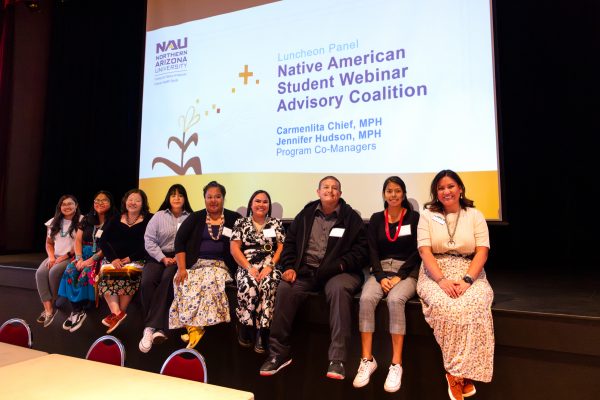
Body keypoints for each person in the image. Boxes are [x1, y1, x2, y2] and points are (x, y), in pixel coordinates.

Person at [260, 176, 368, 380]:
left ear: (341, 194)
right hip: (306, 270)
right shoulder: (306, 214)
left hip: (339, 272)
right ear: (318, 192)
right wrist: (290, 267)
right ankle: (277, 353)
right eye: (326, 187)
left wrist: (340, 265)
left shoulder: (351, 217)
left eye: (335, 188)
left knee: (339, 290)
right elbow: (290, 243)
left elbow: (361, 251)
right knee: (284, 288)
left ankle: (337, 360)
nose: (330, 190)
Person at [416, 170, 494, 400]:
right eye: (441, 188)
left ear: (460, 188)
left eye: (450, 186)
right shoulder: (427, 215)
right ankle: (460, 375)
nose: (446, 191)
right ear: (436, 193)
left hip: (469, 271)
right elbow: (424, 250)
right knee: (447, 307)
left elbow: (482, 251)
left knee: (476, 305)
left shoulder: (474, 215)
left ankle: (456, 373)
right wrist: (441, 280)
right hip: (435, 272)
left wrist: (468, 280)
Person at [352, 176, 421, 392]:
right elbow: (372, 250)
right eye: (389, 191)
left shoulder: (414, 217)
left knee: (394, 300)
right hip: (381, 270)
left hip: (407, 271)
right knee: (365, 299)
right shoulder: (375, 218)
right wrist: (381, 276)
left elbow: (417, 251)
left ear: (404, 193)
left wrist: (399, 276)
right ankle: (367, 360)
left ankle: (396, 364)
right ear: (384, 194)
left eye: (397, 191)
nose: (393, 195)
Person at [169, 181, 241, 349]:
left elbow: (241, 244)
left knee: (209, 279)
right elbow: (179, 241)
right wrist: (181, 269)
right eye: (209, 197)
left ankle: (197, 326)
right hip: (198, 264)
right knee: (181, 280)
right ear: (204, 199)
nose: (213, 200)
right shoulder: (196, 217)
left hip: (221, 266)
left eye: (217, 197)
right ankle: (193, 327)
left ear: (223, 198)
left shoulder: (234, 218)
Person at [138, 184, 192, 353]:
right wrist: (162, 257)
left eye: (180, 195)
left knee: (168, 280)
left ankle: (151, 328)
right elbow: (149, 240)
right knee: (147, 281)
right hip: (157, 256)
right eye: (173, 195)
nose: (176, 198)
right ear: (168, 198)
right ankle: (156, 327)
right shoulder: (159, 216)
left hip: (179, 258)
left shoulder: (190, 218)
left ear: (185, 199)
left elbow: (191, 242)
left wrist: (177, 257)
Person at [230, 190, 285, 353]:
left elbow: (282, 247)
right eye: (258, 201)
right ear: (251, 204)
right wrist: (249, 268)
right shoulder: (241, 223)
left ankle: (263, 332)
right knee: (250, 284)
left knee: (269, 284)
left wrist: (271, 266)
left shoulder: (276, 223)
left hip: (270, 264)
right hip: (247, 263)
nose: (261, 205)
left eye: (265, 202)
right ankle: (245, 326)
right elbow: (234, 248)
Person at [58, 190, 116, 332]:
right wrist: (78, 259)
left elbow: (110, 246)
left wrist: (90, 260)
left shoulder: (115, 220)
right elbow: (78, 240)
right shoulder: (87, 219)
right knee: (70, 270)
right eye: (97, 200)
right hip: (83, 253)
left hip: (103, 255)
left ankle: (83, 308)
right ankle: (76, 310)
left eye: (104, 200)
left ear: (110, 203)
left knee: (86, 273)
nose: (100, 203)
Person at [98, 189, 152, 334]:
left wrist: (130, 258)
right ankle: (117, 313)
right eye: (130, 199)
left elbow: (149, 243)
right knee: (106, 271)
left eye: (137, 200)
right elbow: (102, 240)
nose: (133, 203)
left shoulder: (149, 219)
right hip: (114, 259)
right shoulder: (115, 218)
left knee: (129, 272)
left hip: (136, 259)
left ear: (143, 204)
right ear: (125, 201)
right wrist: (113, 259)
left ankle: (118, 314)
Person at [35, 195, 81, 327]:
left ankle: (56, 302)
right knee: (40, 273)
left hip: (71, 257)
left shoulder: (82, 221)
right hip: (55, 256)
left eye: (70, 204)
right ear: (60, 207)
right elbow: (49, 243)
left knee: (54, 271)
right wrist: (51, 257)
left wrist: (66, 256)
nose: (66, 206)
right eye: (63, 204)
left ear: (76, 205)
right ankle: (48, 310)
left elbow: (80, 243)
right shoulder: (53, 222)